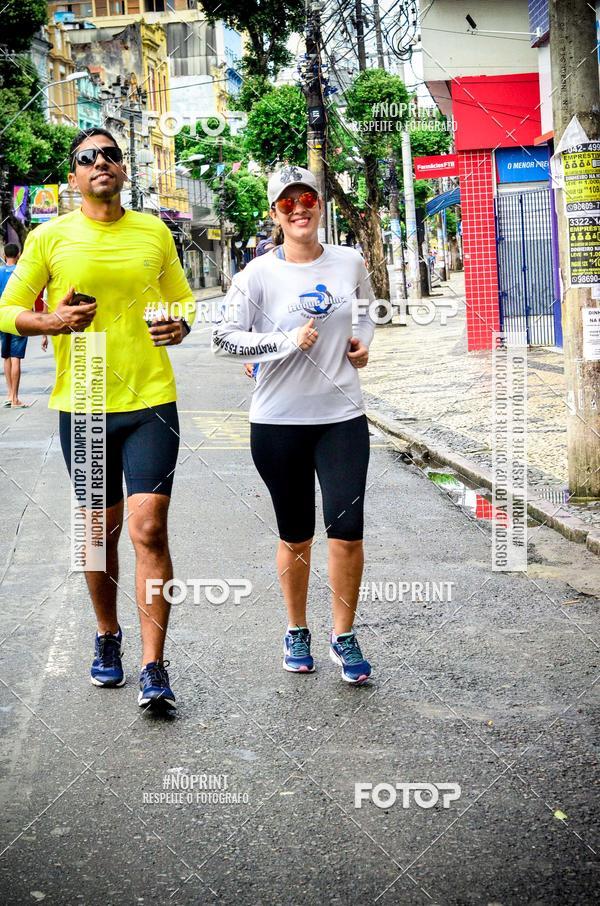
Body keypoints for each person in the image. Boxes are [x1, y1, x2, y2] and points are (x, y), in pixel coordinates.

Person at [0, 128, 196, 711]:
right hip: (83, 401)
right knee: (96, 539)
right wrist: (52, 321)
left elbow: (182, 300)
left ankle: (154, 666)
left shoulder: (154, 231)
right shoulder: (49, 235)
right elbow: (9, 310)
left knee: (149, 530)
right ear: (74, 176)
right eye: (87, 158)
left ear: (123, 168)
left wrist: (179, 325)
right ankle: (107, 634)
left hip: (151, 401)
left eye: (110, 155)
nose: (100, 163)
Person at [212, 165, 375, 685]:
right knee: (297, 533)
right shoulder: (256, 275)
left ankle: (343, 635)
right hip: (279, 423)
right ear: (275, 213)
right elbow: (226, 339)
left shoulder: (349, 262)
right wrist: (281, 344)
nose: (299, 207)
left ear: (320, 203)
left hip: (342, 417)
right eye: (287, 202)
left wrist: (363, 342)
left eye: (307, 197)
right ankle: (296, 628)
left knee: (346, 531)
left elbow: (369, 310)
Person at [0, 243, 29, 408]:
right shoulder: (21, 272)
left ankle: (9, 394)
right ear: (18, 255)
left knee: (6, 357)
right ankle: (15, 399)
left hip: (2, 317)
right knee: (16, 357)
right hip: (19, 317)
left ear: (5, 255)